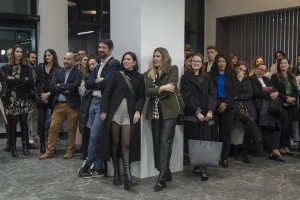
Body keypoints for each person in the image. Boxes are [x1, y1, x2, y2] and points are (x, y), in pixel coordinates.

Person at [100, 52, 145, 189]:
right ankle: (116, 175)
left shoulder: (139, 77)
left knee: (126, 143)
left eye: (129, 59)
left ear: (134, 62)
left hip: (129, 115)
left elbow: (141, 97)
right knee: (114, 143)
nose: (125, 61)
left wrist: (138, 111)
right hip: (115, 113)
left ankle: (127, 175)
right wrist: (104, 110)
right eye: (124, 59)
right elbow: (107, 92)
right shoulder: (117, 75)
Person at [77, 39, 121, 178]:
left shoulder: (114, 63)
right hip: (93, 102)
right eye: (99, 47)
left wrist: (96, 82)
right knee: (93, 136)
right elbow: (89, 83)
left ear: (110, 50)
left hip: (103, 103)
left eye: (103, 47)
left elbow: (107, 84)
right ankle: (95, 164)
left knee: (96, 135)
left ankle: (93, 163)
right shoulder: (99, 64)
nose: (100, 49)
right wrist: (97, 81)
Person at [144, 47, 183, 192]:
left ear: (164, 57)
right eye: (154, 56)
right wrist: (162, 88)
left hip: (170, 110)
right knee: (157, 141)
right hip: (154, 111)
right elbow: (148, 92)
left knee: (165, 141)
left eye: (158, 56)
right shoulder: (149, 73)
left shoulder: (172, 69)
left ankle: (162, 178)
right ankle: (166, 171)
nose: (155, 58)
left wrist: (160, 89)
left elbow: (172, 87)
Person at [39, 52, 82, 160]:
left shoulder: (78, 72)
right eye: (65, 58)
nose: (66, 61)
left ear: (73, 60)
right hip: (59, 105)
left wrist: (60, 85)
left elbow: (74, 86)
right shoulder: (58, 71)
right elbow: (52, 87)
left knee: (72, 129)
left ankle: (70, 151)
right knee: (53, 128)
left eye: (68, 59)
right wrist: (65, 88)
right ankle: (50, 151)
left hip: (72, 105)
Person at [180, 53, 217, 181]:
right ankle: (197, 165)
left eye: (198, 61)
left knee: (205, 140)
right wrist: (197, 111)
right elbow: (187, 96)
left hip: (207, 114)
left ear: (202, 64)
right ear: (190, 63)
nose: (196, 63)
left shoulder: (207, 77)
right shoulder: (185, 78)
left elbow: (213, 94)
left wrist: (211, 111)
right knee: (195, 140)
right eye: (193, 61)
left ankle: (204, 169)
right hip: (193, 113)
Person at [250, 63, 285, 162]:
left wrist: (275, 93)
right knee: (267, 125)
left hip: (271, 105)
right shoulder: (251, 79)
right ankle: (272, 151)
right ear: (256, 69)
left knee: (277, 125)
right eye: (260, 69)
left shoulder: (266, 79)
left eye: (263, 70)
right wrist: (270, 94)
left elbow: (274, 89)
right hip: (261, 106)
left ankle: (275, 150)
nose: (261, 71)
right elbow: (256, 93)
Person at [4, 45, 35, 157]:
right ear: (13, 53)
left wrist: (15, 80)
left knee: (24, 124)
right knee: (12, 125)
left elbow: (31, 82)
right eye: (17, 51)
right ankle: (13, 148)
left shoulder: (26, 67)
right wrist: (23, 80)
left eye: (21, 52)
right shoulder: (7, 67)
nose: (19, 53)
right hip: (12, 99)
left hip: (24, 99)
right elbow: (8, 82)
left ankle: (25, 147)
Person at [209, 53, 237, 168]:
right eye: (220, 61)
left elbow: (234, 91)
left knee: (226, 134)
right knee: (214, 133)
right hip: (215, 106)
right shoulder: (211, 75)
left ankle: (225, 157)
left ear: (227, 63)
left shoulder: (231, 74)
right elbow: (210, 91)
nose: (222, 63)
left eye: (224, 61)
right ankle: (214, 156)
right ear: (216, 62)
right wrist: (219, 104)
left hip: (229, 107)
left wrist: (225, 104)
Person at [234, 61, 262, 163]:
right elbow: (233, 93)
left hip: (247, 106)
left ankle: (245, 151)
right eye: (240, 69)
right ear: (236, 68)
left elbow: (250, 93)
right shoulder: (232, 78)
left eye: (244, 70)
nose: (242, 72)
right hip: (235, 107)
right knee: (250, 122)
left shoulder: (247, 80)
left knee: (250, 123)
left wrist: (239, 97)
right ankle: (255, 146)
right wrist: (238, 81)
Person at [271, 58, 298, 156]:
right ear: (279, 65)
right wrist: (286, 98)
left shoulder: (291, 76)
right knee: (285, 125)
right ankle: (281, 146)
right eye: (281, 63)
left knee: (289, 127)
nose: (283, 64)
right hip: (282, 104)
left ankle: (287, 146)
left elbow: (296, 90)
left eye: (285, 63)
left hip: (292, 104)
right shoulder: (275, 76)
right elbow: (274, 90)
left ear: (288, 65)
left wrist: (294, 98)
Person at [35, 49, 60, 154]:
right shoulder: (40, 67)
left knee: (53, 124)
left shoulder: (58, 69)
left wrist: (48, 94)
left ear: (53, 56)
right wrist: (42, 94)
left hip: (53, 98)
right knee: (40, 122)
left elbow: (58, 85)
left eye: (49, 55)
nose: (47, 57)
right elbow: (37, 83)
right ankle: (42, 144)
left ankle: (52, 145)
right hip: (42, 99)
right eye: (46, 55)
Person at [78, 57, 98, 159]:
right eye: (90, 65)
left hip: (96, 107)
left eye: (93, 64)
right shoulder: (86, 76)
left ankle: (92, 156)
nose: (92, 66)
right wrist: (95, 83)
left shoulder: (103, 75)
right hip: (86, 106)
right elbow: (83, 91)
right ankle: (85, 156)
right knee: (86, 132)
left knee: (94, 133)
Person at [26, 51, 38, 148]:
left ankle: (33, 136)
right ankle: (28, 137)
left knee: (34, 117)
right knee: (28, 118)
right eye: (32, 57)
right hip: (28, 96)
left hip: (35, 96)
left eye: (35, 58)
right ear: (27, 58)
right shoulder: (26, 69)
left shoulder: (35, 69)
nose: (34, 59)